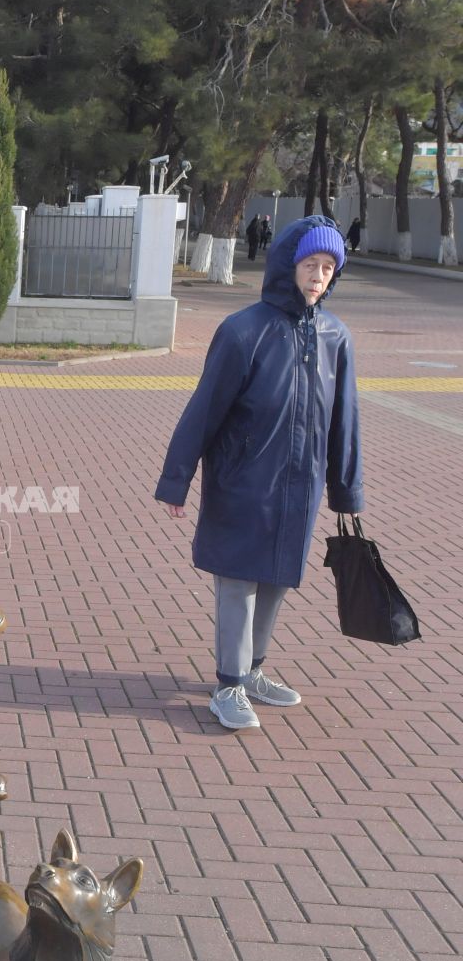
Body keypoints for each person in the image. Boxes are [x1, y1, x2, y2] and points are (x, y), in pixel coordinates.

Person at [155, 217, 363, 730]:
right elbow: (204, 409)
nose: (318, 276)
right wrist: (177, 479)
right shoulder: (243, 330)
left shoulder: (337, 336)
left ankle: (251, 672)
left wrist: (346, 489)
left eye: (328, 267)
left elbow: (346, 417)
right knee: (239, 580)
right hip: (243, 479)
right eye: (310, 264)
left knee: (277, 579)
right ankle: (227, 685)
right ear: (288, 266)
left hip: (301, 482)